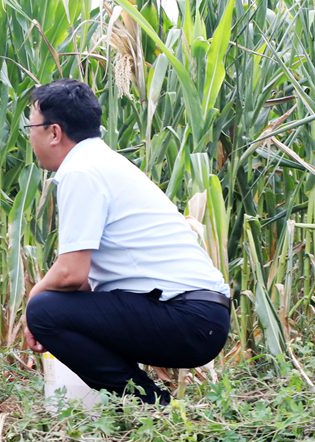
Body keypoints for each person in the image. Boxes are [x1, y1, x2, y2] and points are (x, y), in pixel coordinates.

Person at [23, 79, 231, 404]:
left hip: (188, 316)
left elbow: (70, 274)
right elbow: (81, 286)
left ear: (53, 132)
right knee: (54, 310)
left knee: (43, 310)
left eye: (31, 126)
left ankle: (150, 407)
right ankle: (144, 406)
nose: (29, 136)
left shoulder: (82, 171)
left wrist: (31, 302)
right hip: (199, 315)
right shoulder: (101, 162)